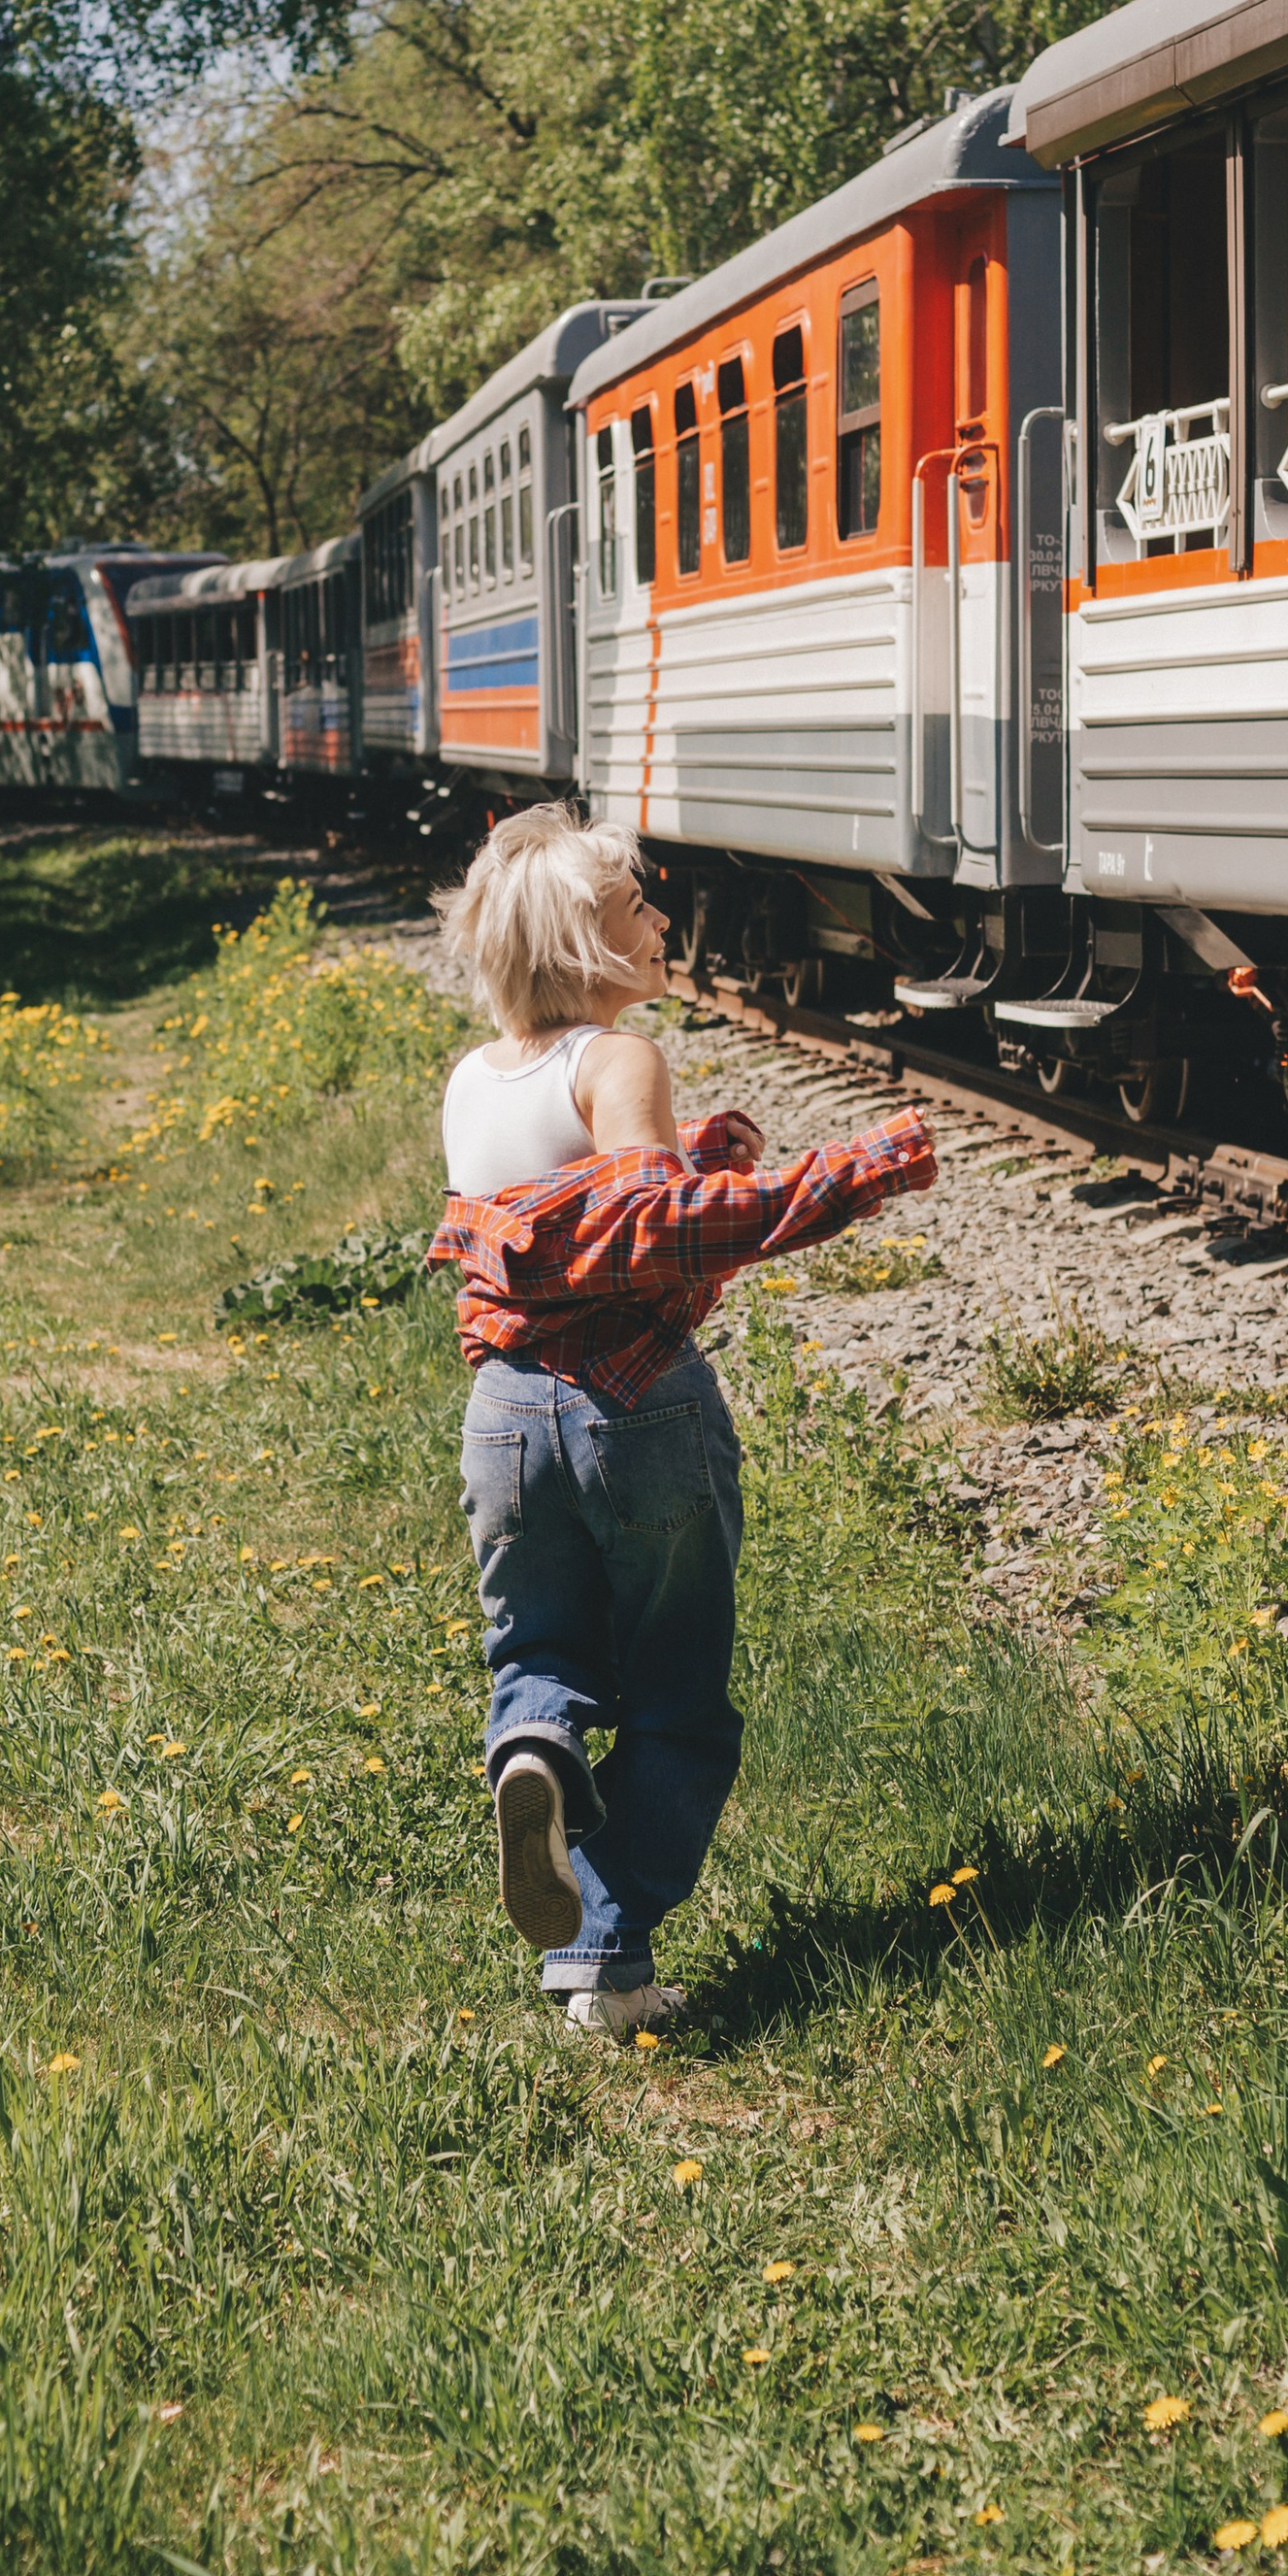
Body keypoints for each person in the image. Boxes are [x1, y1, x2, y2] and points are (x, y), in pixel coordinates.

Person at [429, 805, 937, 2039]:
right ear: (584, 946)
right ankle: (606, 1966)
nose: (661, 920)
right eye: (635, 908)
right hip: (635, 1409)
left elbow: (562, 1210)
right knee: (676, 1699)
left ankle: (535, 1752)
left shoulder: (472, 1078)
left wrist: (698, 1152)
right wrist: (853, 1174)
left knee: (538, 1648)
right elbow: (647, 1244)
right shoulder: (621, 1058)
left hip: (502, 1417)